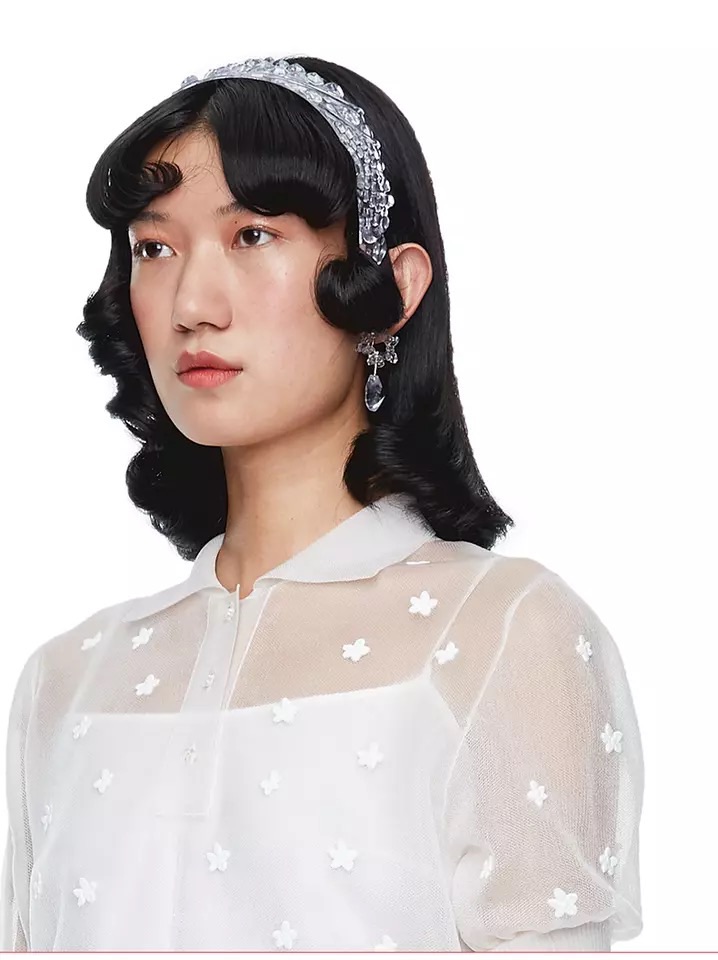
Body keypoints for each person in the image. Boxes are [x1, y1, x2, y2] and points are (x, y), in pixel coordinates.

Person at [0, 55, 644, 951]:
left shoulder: (502, 634)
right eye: (154, 248)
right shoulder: (66, 681)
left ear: (393, 287)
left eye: (252, 235)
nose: (192, 303)